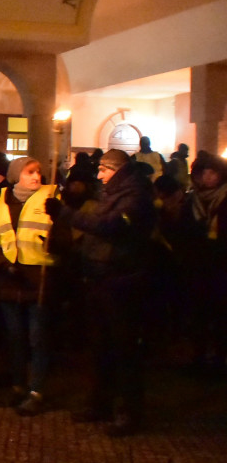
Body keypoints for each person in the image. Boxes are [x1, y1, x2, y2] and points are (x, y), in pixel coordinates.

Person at [47, 148, 156, 436]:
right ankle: (100, 403)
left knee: (123, 348)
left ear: (116, 169)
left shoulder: (135, 197)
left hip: (121, 280)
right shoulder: (112, 193)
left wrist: (66, 214)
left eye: (103, 170)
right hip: (99, 277)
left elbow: (110, 227)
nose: (98, 175)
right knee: (100, 347)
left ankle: (128, 411)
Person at [0, 157, 64, 416]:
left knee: (37, 338)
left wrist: (56, 240)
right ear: (16, 175)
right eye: (30, 172)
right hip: (9, 279)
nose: (36, 176)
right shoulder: (1, 202)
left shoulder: (51, 199)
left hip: (38, 278)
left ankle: (36, 390)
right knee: (15, 338)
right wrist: (2, 264)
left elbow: (65, 237)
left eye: (38, 172)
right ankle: (18, 385)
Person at [185, 153, 227, 375]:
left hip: (222, 265)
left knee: (221, 314)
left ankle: (220, 358)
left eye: (213, 173)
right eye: (204, 173)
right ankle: (199, 356)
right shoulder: (193, 200)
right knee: (199, 313)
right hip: (198, 265)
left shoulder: (224, 198)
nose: (208, 177)